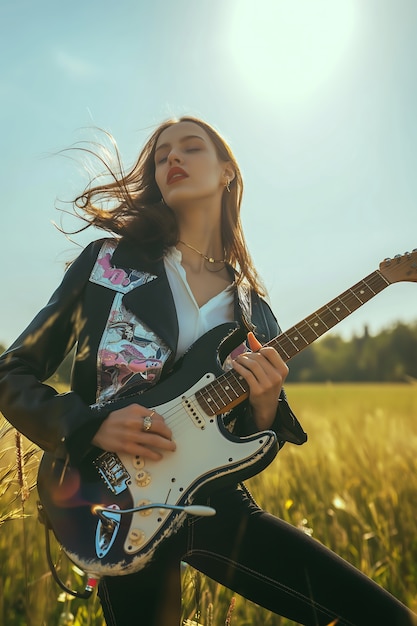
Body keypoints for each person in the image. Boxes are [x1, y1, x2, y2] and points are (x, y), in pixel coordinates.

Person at [0, 116, 416, 626]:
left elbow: (249, 445)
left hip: (215, 505)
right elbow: (12, 372)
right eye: (160, 155)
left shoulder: (254, 311)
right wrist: (91, 424)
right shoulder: (107, 264)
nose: (171, 158)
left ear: (226, 174)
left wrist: (264, 407)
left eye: (191, 147)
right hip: (111, 501)